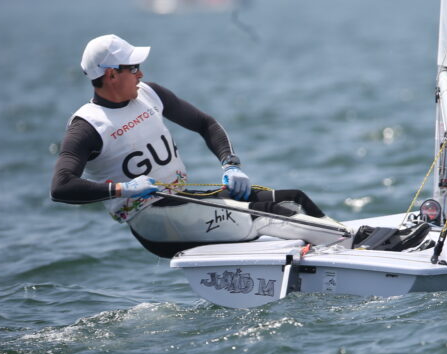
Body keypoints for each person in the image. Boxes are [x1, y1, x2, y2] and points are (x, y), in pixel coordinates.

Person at [51, 34, 351, 257]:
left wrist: (230, 164)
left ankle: (348, 244)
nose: (141, 73)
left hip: (182, 200)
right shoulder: (87, 126)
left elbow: (206, 124)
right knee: (269, 214)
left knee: (293, 199)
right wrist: (122, 189)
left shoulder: (149, 94)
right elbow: (61, 186)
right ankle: (346, 251)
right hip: (154, 220)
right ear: (111, 74)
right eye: (133, 68)